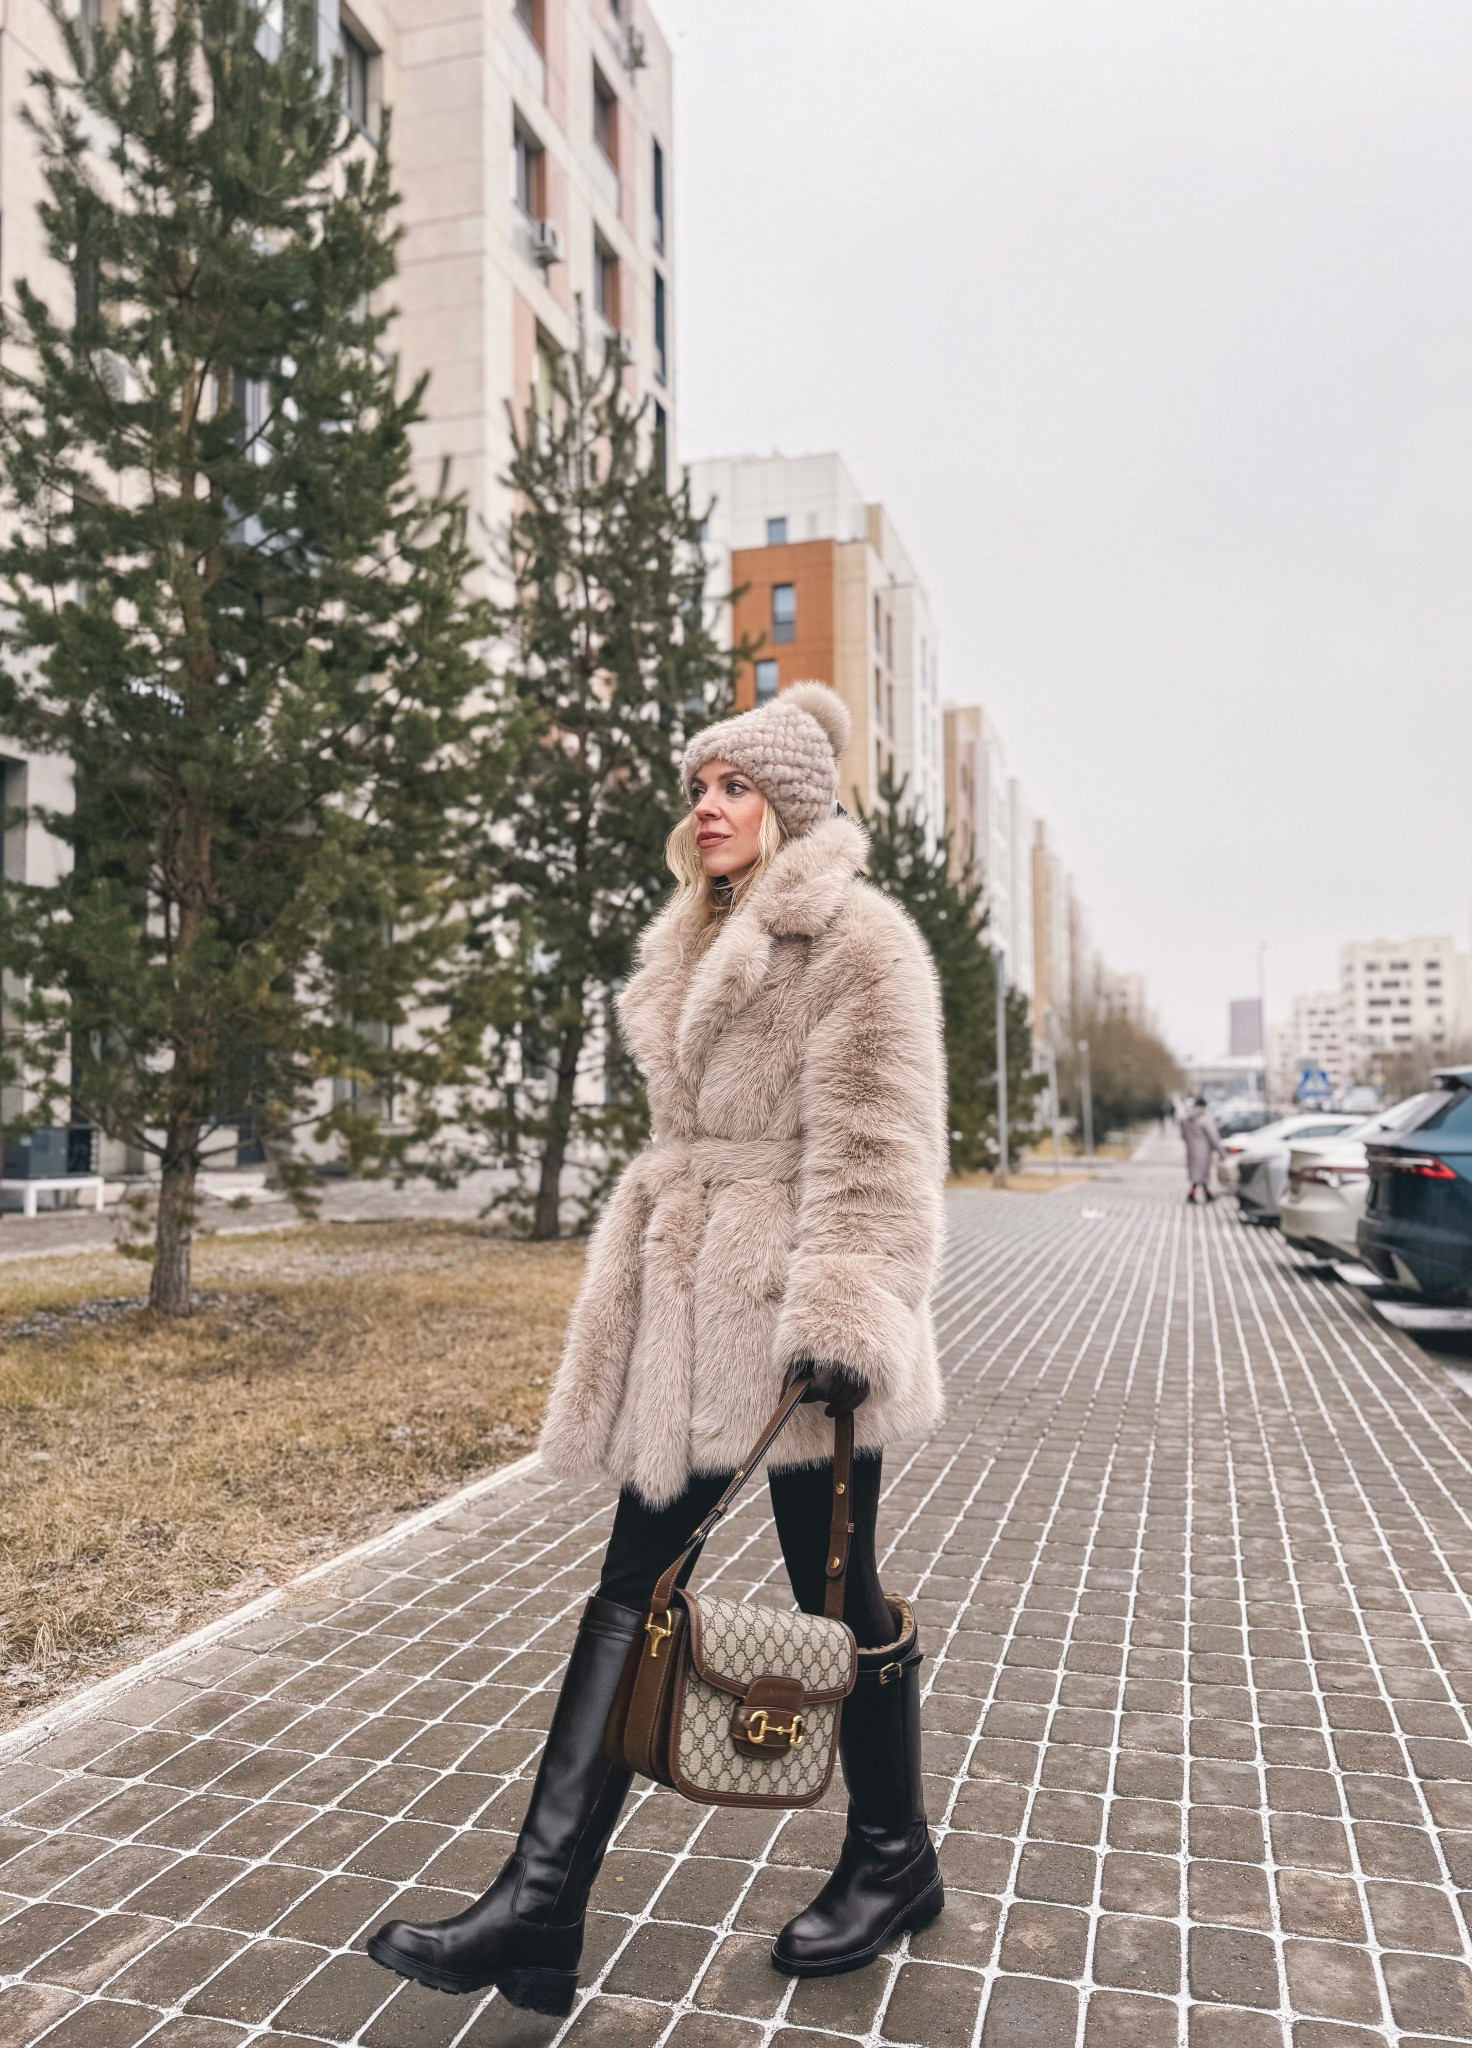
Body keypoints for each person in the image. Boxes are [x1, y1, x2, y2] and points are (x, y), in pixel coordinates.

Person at [367, 682, 949, 2015]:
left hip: (793, 1320)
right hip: (693, 1310)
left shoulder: (858, 941)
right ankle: (541, 1909)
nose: (708, 804)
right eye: (700, 785)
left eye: (735, 785)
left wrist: (843, 1315)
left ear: (788, 803)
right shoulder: (699, 935)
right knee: (640, 1583)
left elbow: (880, 1145)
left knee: (834, 1595)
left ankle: (886, 1855)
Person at [1181, 1094, 1225, 1203]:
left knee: (1198, 1174)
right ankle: (1192, 1195)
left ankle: (1206, 1194)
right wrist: (1221, 1152)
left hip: (1191, 1150)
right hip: (1203, 1151)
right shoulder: (1205, 1120)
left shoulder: (1187, 1120)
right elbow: (1214, 1137)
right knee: (1202, 1174)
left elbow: (1183, 1135)